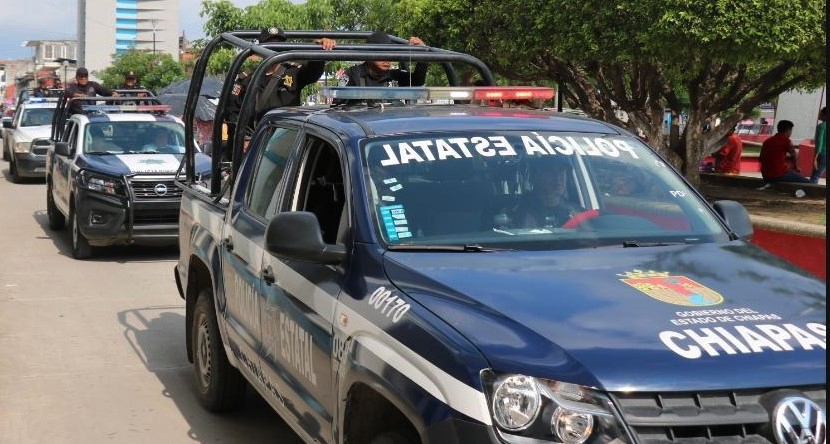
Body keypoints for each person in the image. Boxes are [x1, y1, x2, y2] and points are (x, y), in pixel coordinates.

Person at [228, 27, 336, 123]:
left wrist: (318, 47)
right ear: (260, 48)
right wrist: (244, 140)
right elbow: (233, 111)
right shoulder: (247, 78)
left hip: (285, 137)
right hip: (256, 138)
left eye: (279, 43)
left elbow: (313, 71)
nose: (275, 48)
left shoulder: (293, 72)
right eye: (270, 44)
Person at [338, 31, 428, 88]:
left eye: (389, 53)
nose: (387, 58)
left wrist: (423, 52)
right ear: (368, 55)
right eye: (381, 52)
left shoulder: (395, 75)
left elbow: (418, 81)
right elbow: (337, 107)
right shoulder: (353, 74)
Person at [511, 157, 582, 228]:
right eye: (551, 172)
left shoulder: (578, 214)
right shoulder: (519, 212)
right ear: (537, 176)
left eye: (561, 171)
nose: (557, 178)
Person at [810, 107, 826, 184]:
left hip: (823, 154)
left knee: (814, 177)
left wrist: (815, 159)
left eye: (821, 113)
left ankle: (810, 194)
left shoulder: (822, 126)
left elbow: (819, 142)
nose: (819, 114)